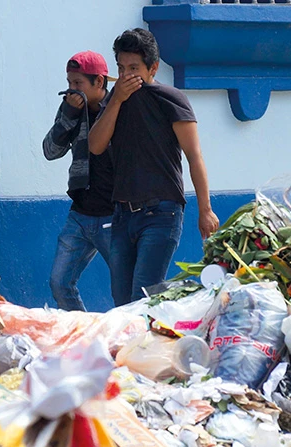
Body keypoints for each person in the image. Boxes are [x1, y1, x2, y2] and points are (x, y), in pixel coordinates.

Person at [88, 28, 219, 307]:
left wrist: (205, 209)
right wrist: (117, 100)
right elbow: (96, 145)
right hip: (122, 215)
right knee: (122, 302)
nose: (126, 76)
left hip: (161, 213)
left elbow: (194, 156)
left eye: (134, 68)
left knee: (142, 300)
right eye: (122, 68)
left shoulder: (170, 99)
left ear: (153, 67)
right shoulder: (114, 99)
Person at [42, 51, 116, 311]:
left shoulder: (119, 107)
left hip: (114, 214)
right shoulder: (70, 108)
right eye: (69, 82)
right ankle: (84, 340)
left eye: (78, 83)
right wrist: (69, 116)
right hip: (80, 213)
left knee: (126, 286)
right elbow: (50, 151)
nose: (71, 89)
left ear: (99, 82)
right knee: (59, 282)